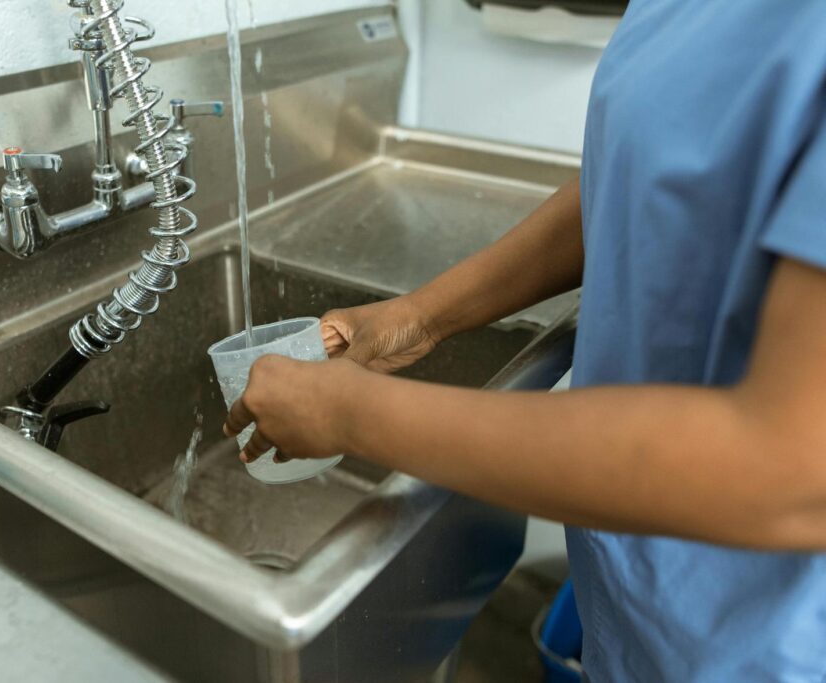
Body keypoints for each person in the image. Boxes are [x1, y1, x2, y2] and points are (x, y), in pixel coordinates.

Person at [225, 2, 826, 681]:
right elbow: (641, 171)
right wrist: (420, 316)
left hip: (757, 640)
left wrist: (348, 413)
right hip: (637, 603)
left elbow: (792, 468)